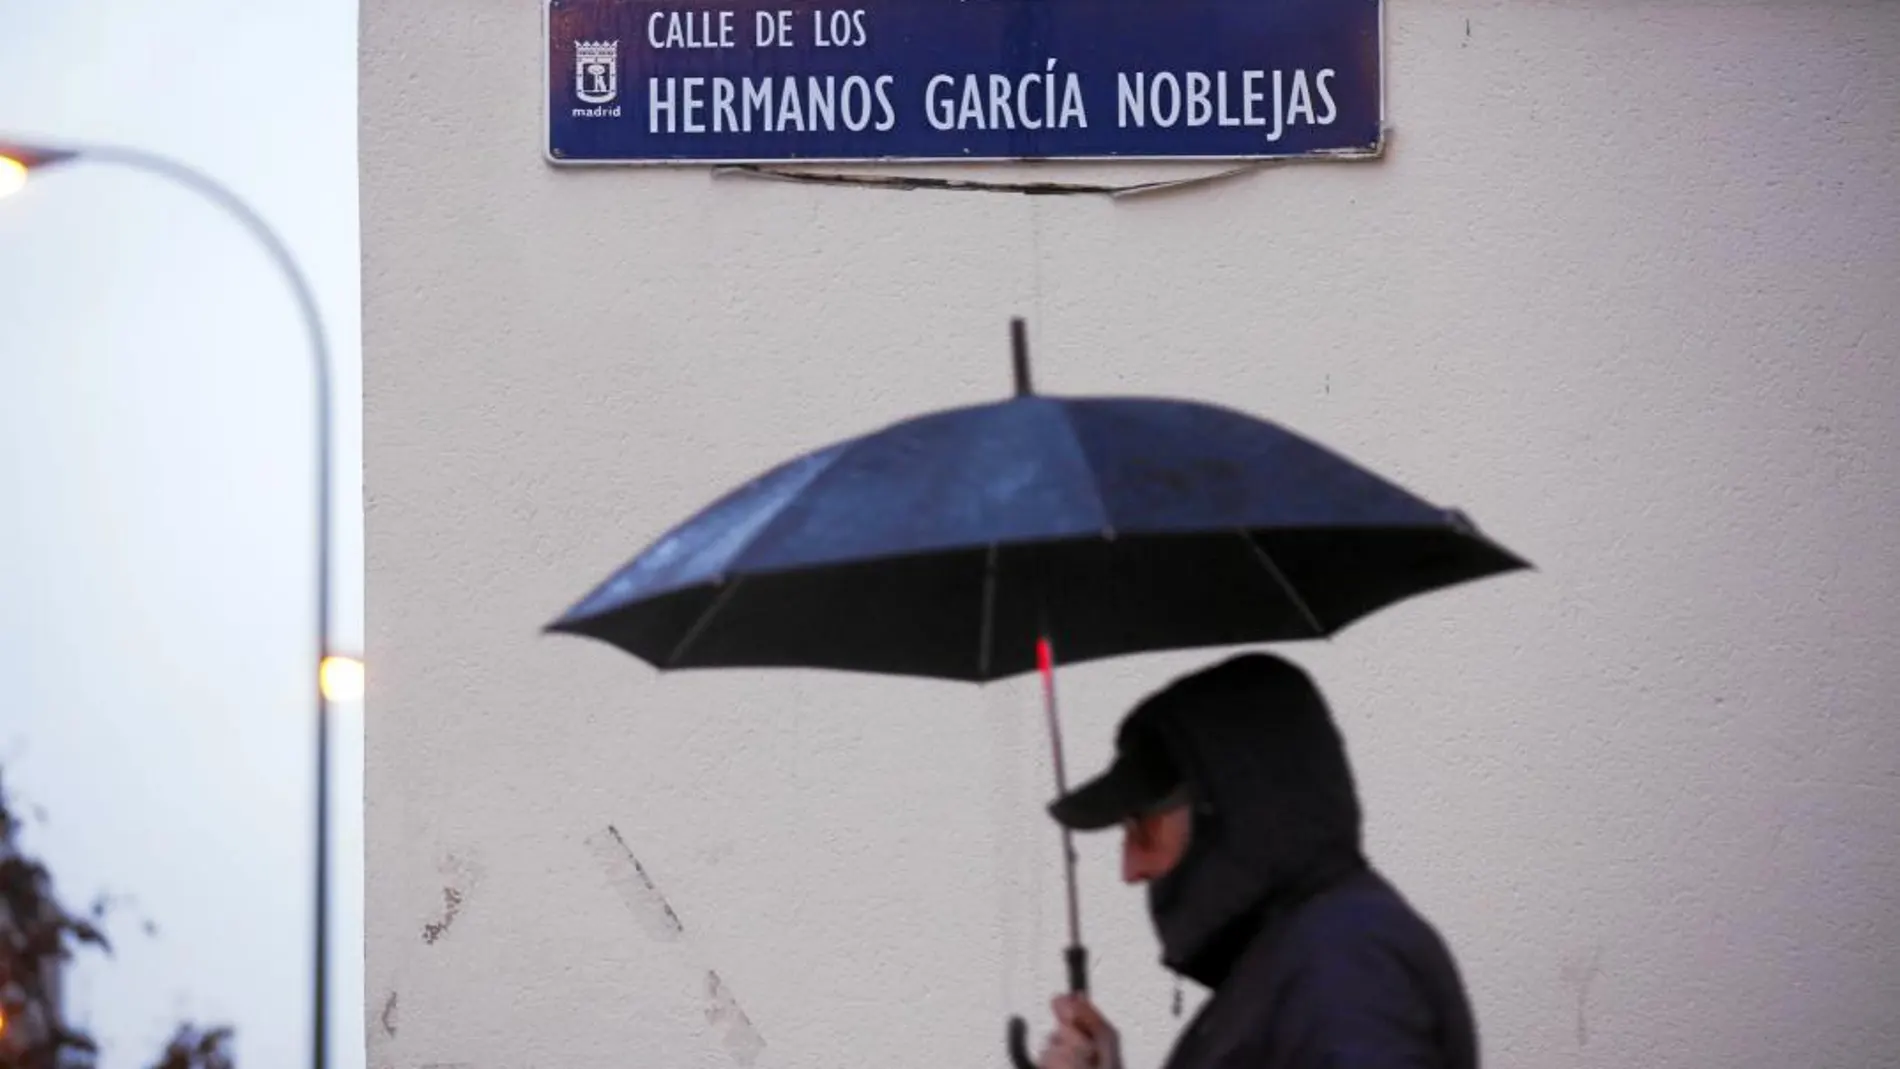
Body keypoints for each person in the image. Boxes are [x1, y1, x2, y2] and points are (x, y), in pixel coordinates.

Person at [1036, 652, 1478, 1069]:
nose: (1130, 870)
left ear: (1223, 809)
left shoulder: (1347, 962)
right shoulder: (1293, 963)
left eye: (1143, 829)